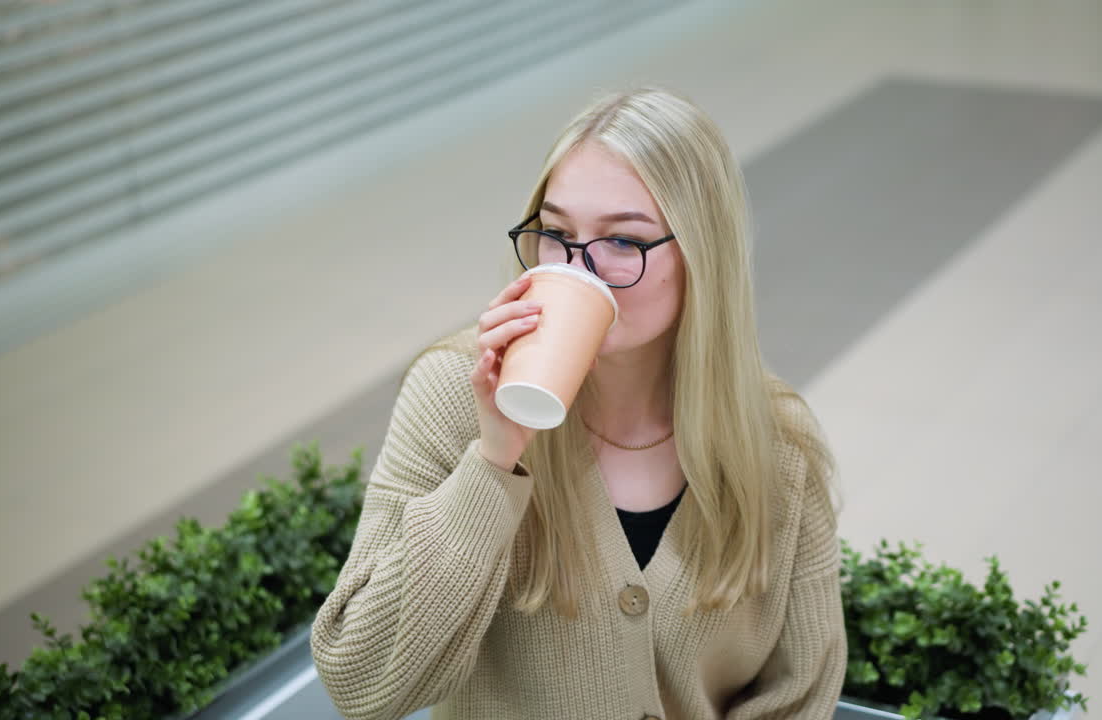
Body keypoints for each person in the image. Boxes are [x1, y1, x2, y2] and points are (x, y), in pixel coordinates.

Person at [310, 87, 846, 719]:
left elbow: (799, 695)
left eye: (623, 241)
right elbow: (362, 681)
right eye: (556, 232)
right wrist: (494, 460)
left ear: (703, 256)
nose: (578, 268)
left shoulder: (776, 442)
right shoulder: (454, 395)